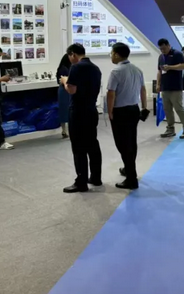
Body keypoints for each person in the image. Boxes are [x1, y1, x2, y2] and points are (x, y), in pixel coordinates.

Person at [59, 43, 102, 193]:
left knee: (78, 147)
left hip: (78, 112)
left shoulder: (76, 67)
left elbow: (71, 89)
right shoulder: (95, 68)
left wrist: (64, 81)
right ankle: (96, 177)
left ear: (73, 54)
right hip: (91, 110)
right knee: (92, 144)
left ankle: (81, 182)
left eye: (69, 56)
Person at [107, 43, 148, 190]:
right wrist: (144, 107)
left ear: (117, 54)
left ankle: (131, 178)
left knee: (123, 144)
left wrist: (110, 111)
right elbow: (143, 90)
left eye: (112, 53)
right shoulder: (137, 70)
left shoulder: (115, 72)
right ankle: (128, 169)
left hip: (120, 111)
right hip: (134, 109)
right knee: (131, 141)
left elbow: (111, 93)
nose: (111, 56)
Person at [157, 38, 184, 139]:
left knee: (179, 108)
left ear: (168, 45)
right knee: (167, 109)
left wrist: (170, 67)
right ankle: (170, 129)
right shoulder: (161, 57)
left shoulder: (177, 54)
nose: (163, 50)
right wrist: (158, 84)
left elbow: (183, 66)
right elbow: (159, 71)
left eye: (164, 48)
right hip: (165, 87)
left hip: (175, 87)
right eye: (161, 49)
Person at [56, 53, 72, 139]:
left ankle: (64, 131)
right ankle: (68, 131)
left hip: (62, 90)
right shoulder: (66, 69)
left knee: (63, 111)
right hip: (67, 90)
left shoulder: (61, 68)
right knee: (69, 111)